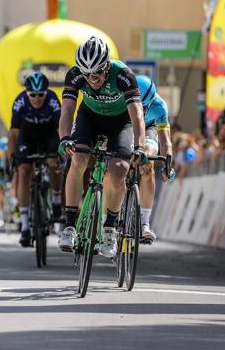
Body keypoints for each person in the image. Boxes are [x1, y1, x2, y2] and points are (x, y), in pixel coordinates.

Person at [58, 36, 147, 258]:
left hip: (121, 122)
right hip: (90, 117)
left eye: (96, 72)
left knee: (119, 170)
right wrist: (64, 138)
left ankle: (109, 229)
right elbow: (67, 111)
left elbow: (136, 115)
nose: (91, 78)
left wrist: (141, 146)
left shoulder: (124, 76)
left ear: (107, 65)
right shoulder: (75, 75)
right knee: (78, 158)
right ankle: (69, 225)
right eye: (86, 74)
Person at [6, 71, 62, 247]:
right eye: (33, 95)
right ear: (27, 93)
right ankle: (24, 225)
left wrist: (62, 150)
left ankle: (56, 200)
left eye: (40, 95)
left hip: (49, 135)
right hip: (27, 135)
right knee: (24, 171)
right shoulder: (20, 101)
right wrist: (11, 156)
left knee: (54, 164)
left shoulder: (53, 100)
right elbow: (14, 132)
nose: (37, 98)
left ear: (46, 93)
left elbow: (61, 127)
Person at [136, 75, 173, 244]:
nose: (142, 110)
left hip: (149, 128)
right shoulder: (123, 98)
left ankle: (144, 223)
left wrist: (167, 166)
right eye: (139, 105)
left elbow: (166, 142)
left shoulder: (159, 106)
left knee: (147, 162)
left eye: (145, 106)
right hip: (127, 126)